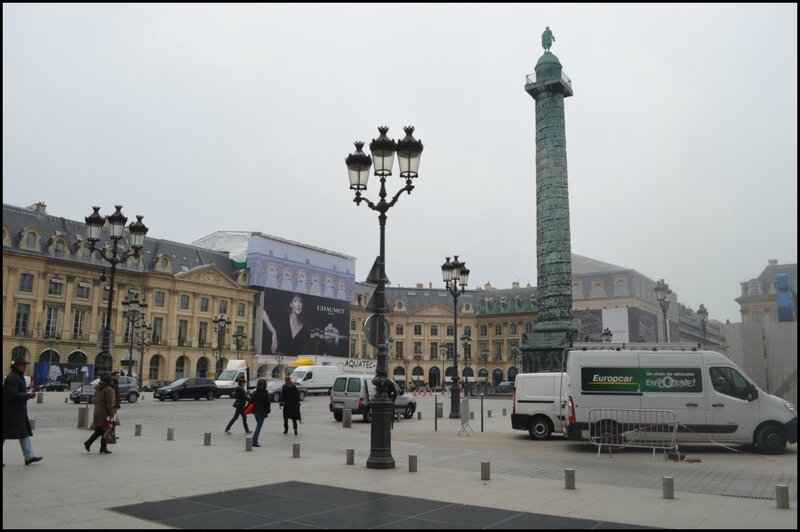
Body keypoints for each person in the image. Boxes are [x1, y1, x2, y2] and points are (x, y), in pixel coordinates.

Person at [3, 356, 43, 466]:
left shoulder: (17, 376)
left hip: (16, 412)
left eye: (25, 365)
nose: (25, 367)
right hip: (10, 413)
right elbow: (12, 395)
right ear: (16, 365)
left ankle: (29, 456)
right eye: (23, 365)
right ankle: (29, 456)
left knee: (23, 433)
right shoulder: (13, 378)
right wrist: (27, 395)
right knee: (5, 434)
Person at [83, 373, 116, 455]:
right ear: (109, 381)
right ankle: (89, 443)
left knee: (103, 430)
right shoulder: (109, 390)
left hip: (98, 412)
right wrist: (112, 414)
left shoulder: (98, 388)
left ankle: (102, 448)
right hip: (105, 413)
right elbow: (109, 404)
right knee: (102, 430)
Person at [249, 379, 271, 447]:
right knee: (258, 427)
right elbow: (267, 403)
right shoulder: (265, 393)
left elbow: (251, 401)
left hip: (255, 411)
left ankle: (255, 441)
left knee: (258, 425)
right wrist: (268, 410)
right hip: (262, 412)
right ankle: (254, 441)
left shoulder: (255, 392)